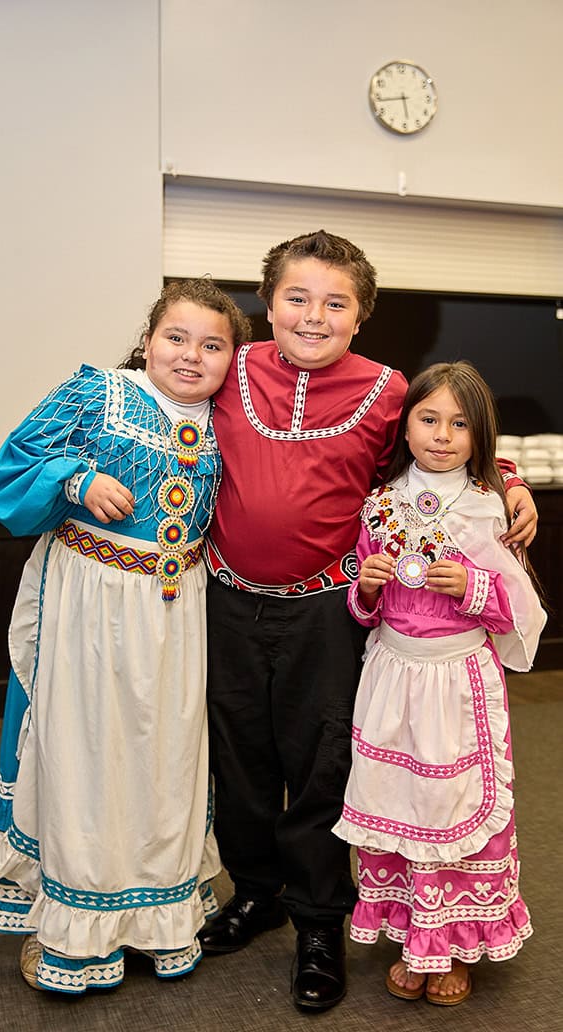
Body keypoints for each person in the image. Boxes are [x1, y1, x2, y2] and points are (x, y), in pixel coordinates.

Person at [197, 230, 539, 1011]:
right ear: (267, 303)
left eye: (335, 303)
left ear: (360, 317)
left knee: (322, 765)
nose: (312, 316)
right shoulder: (232, 365)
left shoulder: (385, 388)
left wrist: (511, 480)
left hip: (329, 611)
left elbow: (444, 439)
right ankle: (254, 895)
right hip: (225, 600)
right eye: (295, 298)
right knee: (238, 758)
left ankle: (320, 919)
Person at [0, 279, 251, 994]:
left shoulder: (233, 420)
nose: (190, 356)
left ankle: (154, 925)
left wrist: (499, 477)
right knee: (85, 755)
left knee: (164, 761)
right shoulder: (95, 393)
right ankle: (73, 931)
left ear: (233, 358)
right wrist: (77, 478)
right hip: (88, 603)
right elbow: (7, 473)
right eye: (176, 337)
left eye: (212, 345)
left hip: (178, 612)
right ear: (149, 337)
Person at [333, 361, 546, 1006]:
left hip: (459, 681)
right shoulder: (382, 501)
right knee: (400, 803)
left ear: (481, 436)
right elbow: (363, 606)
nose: (443, 435)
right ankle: (411, 935)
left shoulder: (492, 507)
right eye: (429, 419)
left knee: (453, 806)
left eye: (460, 424)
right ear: (407, 426)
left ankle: (454, 943)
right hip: (392, 677)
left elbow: (518, 609)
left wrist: (477, 587)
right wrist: (366, 587)